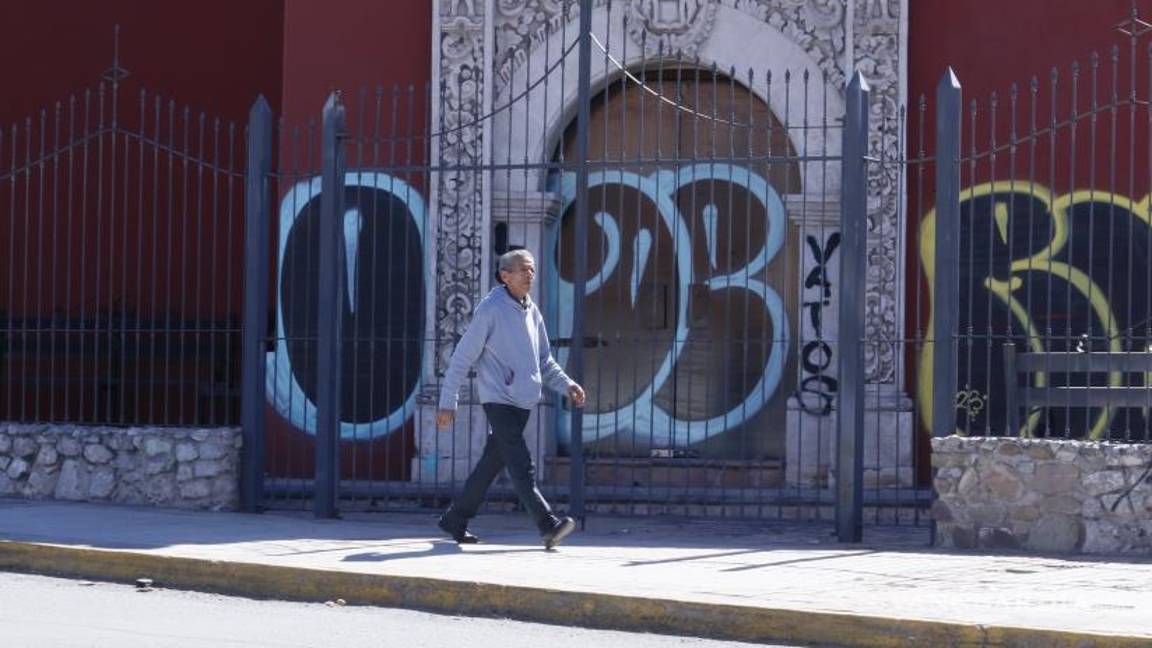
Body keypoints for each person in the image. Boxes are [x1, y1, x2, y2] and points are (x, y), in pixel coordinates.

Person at [435, 249, 586, 549]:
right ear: (505, 276)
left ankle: (455, 518)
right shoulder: (490, 309)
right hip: (498, 400)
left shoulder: (532, 311)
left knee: (491, 464)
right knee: (521, 464)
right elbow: (463, 357)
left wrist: (567, 384)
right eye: (523, 270)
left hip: (523, 402)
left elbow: (545, 361)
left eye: (532, 269)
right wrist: (447, 401)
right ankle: (548, 525)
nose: (530, 274)